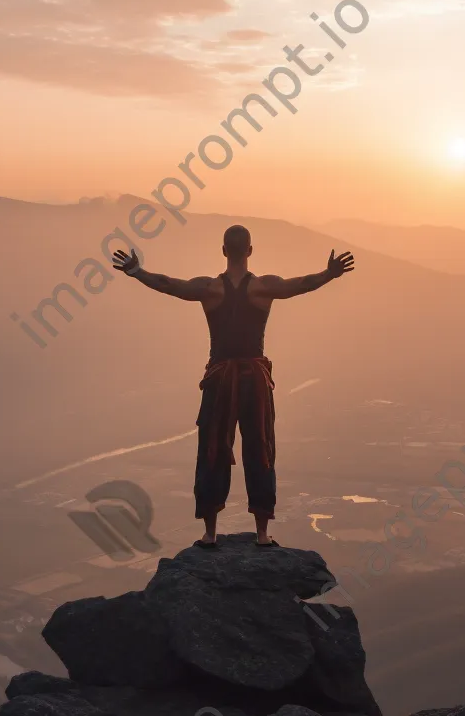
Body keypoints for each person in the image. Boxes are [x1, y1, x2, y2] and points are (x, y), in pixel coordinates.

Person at [112, 225, 355, 548]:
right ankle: (263, 534)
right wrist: (330, 273)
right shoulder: (264, 288)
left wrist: (137, 271)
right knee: (261, 449)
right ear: (250, 251)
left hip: (220, 379)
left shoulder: (210, 289)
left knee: (212, 448)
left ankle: (211, 534)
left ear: (224, 250)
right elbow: (301, 285)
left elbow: (169, 285)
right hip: (254, 379)